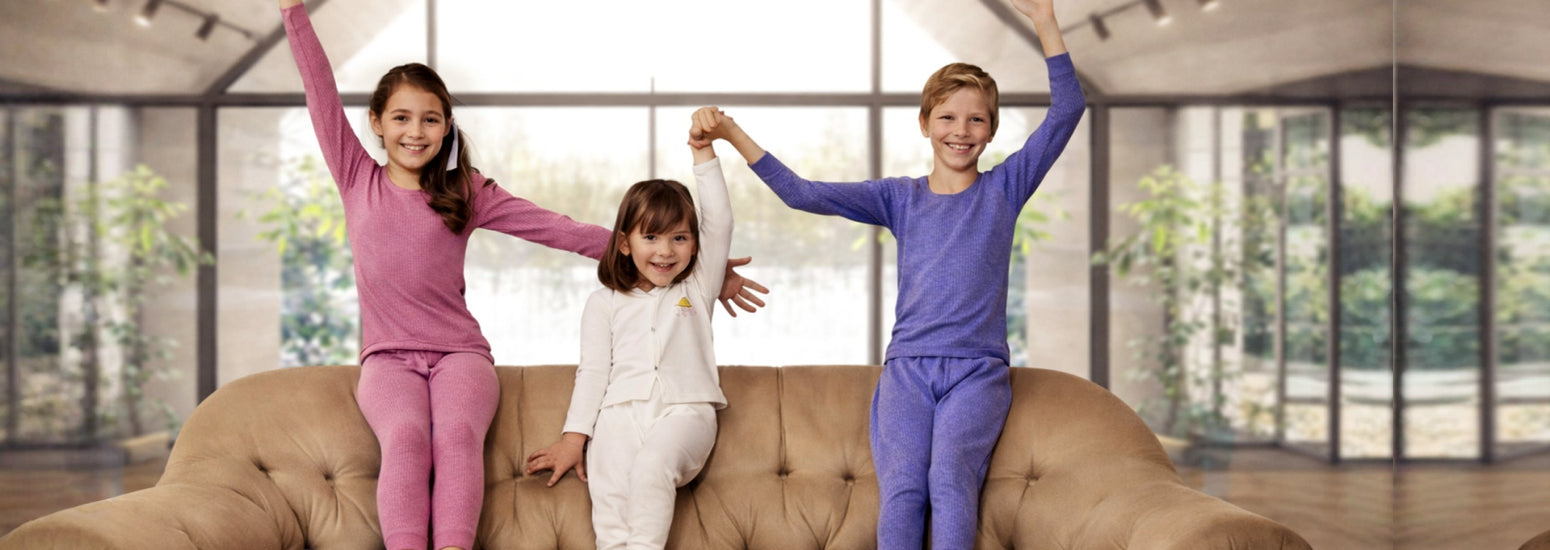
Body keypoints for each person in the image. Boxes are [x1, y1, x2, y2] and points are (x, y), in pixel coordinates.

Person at [277, 4, 764, 549]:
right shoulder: (354, 176)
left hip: (461, 354)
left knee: (459, 437)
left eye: (431, 119)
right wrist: (294, 11)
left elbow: (555, 229)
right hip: (388, 357)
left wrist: (684, 270)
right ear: (376, 122)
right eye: (401, 117)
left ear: (446, 128)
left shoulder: (466, 191)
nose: (416, 132)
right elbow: (318, 88)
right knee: (407, 439)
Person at [694, 0, 1083, 546]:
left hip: (977, 373)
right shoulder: (898, 198)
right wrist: (733, 134)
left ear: (992, 132)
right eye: (947, 116)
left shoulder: (1004, 189)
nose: (961, 130)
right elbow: (802, 193)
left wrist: (1043, 19)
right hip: (906, 373)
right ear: (925, 125)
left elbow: (1067, 108)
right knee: (902, 488)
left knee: (950, 481)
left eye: (977, 119)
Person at [524, 107, 734, 550]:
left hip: (685, 411)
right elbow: (594, 373)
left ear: (695, 245)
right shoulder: (603, 304)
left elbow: (720, 220)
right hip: (618, 415)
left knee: (652, 468)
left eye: (680, 237)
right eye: (651, 237)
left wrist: (703, 153)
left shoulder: (697, 288)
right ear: (624, 243)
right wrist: (573, 438)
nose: (666, 251)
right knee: (612, 493)